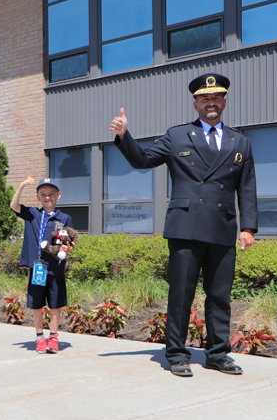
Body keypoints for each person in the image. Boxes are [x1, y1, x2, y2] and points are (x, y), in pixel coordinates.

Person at [110, 73, 258, 377]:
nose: (211, 103)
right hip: (185, 226)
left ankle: (218, 354)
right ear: (196, 104)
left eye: (216, 98)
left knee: (220, 296)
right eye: (205, 99)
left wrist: (248, 228)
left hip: (222, 227)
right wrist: (125, 136)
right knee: (181, 293)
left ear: (224, 102)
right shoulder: (177, 136)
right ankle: (176, 353)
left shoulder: (239, 141)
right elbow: (144, 160)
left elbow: (247, 187)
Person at [10, 177, 74, 354]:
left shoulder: (64, 218)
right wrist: (22, 186)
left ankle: (53, 338)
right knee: (37, 304)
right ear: (38, 197)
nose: (47, 198)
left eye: (51, 194)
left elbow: (71, 242)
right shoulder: (32, 214)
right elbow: (14, 206)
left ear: (58, 195)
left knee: (55, 305)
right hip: (38, 268)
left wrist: (67, 249)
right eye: (43, 194)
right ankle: (40, 337)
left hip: (56, 268)